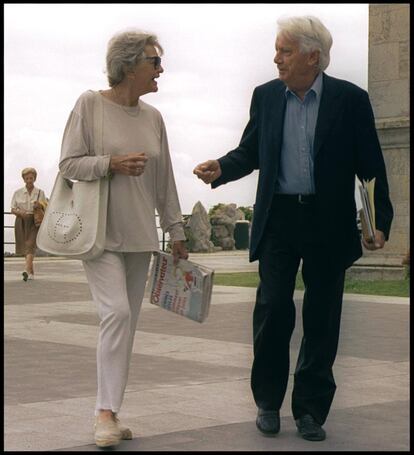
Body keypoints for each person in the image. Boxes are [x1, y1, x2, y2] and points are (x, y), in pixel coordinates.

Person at [194, 16, 393, 441]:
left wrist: (380, 225)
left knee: (323, 317)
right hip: (279, 220)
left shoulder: (350, 99)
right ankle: (267, 402)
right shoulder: (266, 97)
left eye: (285, 50)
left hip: (329, 222)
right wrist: (221, 169)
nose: (276, 58)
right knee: (272, 310)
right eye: (277, 50)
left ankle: (310, 411)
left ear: (312, 56)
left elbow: (371, 167)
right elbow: (250, 151)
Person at [58, 30, 188, 448]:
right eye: (154, 61)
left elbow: (164, 179)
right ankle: (103, 414)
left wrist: (177, 230)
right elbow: (68, 163)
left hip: (140, 236)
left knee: (127, 324)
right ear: (130, 65)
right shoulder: (89, 105)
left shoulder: (153, 117)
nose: (160, 69)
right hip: (98, 233)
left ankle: (111, 410)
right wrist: (110, 163)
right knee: (115, 313)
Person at [10, 167, 47, 281]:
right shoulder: (17, 193)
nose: (29, 180)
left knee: (30, 245)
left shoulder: (40, 192)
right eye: (27, 178)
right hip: (21, 220)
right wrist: (20, 212)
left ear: (34, 178)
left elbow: (45, 206)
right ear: (24, 179)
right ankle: (31, 272)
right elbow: (12, 208)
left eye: (31, 178)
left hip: (34, 221)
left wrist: (39, 205)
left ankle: (26, 270)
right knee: (25, 246)